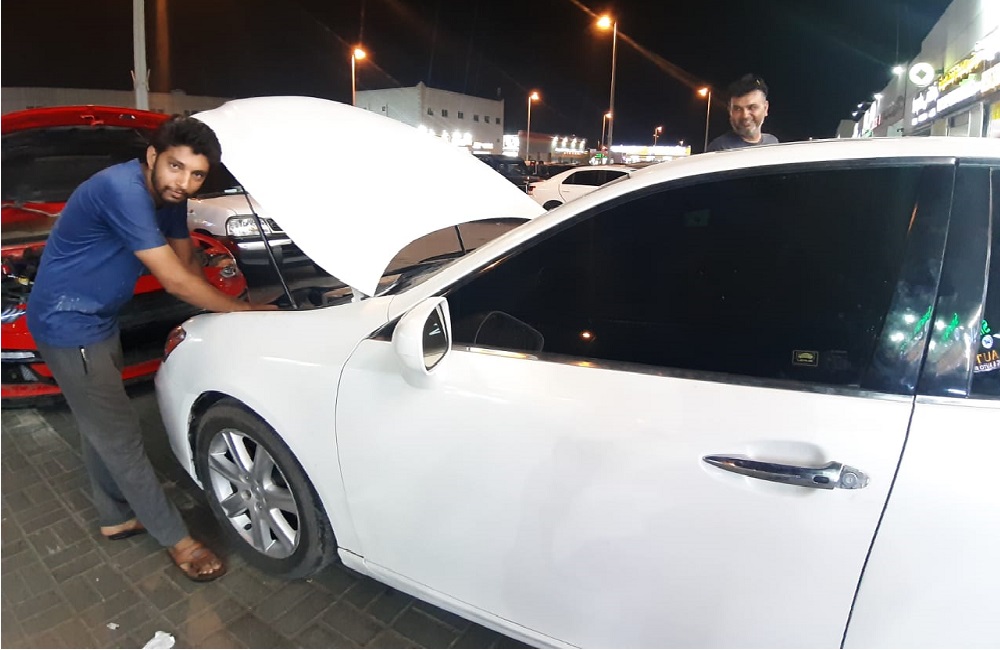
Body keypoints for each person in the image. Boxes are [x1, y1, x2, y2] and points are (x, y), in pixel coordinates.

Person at [26, 115, 275, 582]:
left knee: (100, 423)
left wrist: (221, 311)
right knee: (120, 435)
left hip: (100, 318)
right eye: (176, 167)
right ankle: (176, 539)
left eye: (196, 174)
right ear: (152, 156)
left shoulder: (170, 198)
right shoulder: (121, 190)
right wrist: (245, 311)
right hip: (68, 323)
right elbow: (174, 280)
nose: (183, 182)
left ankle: (116, 516)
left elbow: (186, 262)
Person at [706, 74, 780, 152]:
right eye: (737, 109)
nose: (745, 116)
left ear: (765, 108)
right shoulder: (720, 149)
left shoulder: (772, 143)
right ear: (730, 111)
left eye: (752, 107)